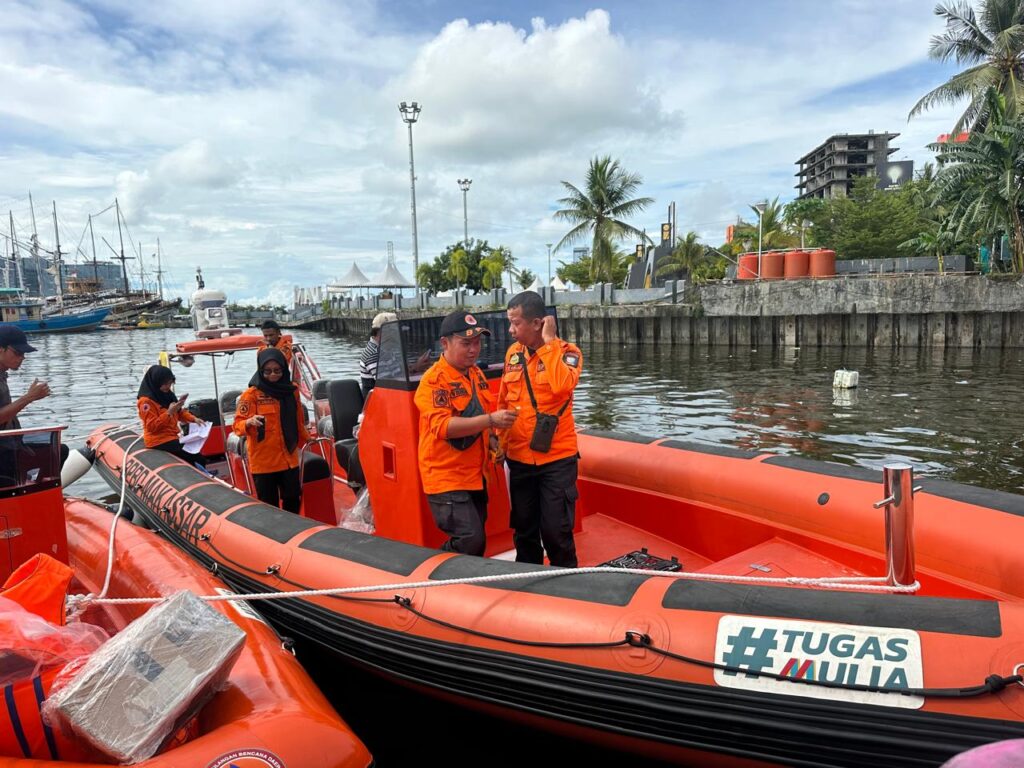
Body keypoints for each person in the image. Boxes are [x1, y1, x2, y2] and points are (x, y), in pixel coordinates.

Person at [414, 310, 517, 556]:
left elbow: (477, 418)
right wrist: (491, 420)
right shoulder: (433, 381)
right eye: (466, 343)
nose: (473, 350)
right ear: (445, 343)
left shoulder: (476, 375)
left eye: (477, 343)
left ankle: (460, 575)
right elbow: (443, 427)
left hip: (475, 475)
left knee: (475, 541)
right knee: (470, 539)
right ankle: (432, 566)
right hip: (447, 477)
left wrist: (492, 441)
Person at [498, 291, 583, 568]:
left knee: (556, 532)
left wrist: (548, 344)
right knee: (524, 531)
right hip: (520, 458)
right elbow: (504, 400)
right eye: (510, 323)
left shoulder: (568, 353)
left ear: (537, 323)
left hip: (556, 459)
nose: (511, 330)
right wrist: (499, 442)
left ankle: (565, 581)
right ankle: (527, 581)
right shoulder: (513, 354)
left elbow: (561, 386)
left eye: (516, 323)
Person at [233, 348, 310, 513]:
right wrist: (249, 422)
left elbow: (298, 421)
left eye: (277, 370)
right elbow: (237, 426)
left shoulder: (292, 391)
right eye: (267, 371)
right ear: (260, 370)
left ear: (284, 369)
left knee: (293, 498)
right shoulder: (250, 395)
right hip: (264, 462)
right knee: (269, 505)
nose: (273, 375)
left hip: (289, 458)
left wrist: (307, 438)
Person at [0, 325, 60, 485]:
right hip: (4, 450)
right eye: (17, 352)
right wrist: (29, 397)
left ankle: (33, 489)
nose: (22, 357)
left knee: (59, 452)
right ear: (1, 349)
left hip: (10, 444)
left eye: (23, 353)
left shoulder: (2, 374)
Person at [137, 365, 206, 467]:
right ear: (157, 383)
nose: (168, 386)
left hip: (171, 436)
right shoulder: (145, 401)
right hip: (158, 440)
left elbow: (179, 412)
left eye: (170, 383)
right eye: (165, 384)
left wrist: (193, 419)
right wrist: (168, 413)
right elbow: (151, 427)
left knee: (197, 454)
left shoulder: (167, 394)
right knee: (195, 457)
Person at [360, 312, 397, 398]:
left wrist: (415, 367)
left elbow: (396, 373)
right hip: (377, 402)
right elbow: (387, 384)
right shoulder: (373, 354)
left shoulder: (386, 349)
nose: (395, 334)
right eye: (392, 331)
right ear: (380, 332)